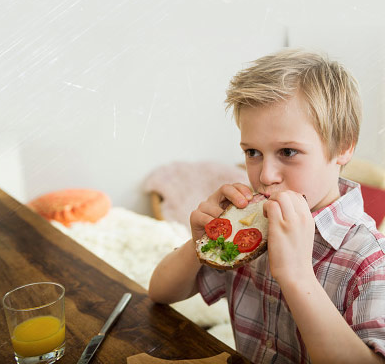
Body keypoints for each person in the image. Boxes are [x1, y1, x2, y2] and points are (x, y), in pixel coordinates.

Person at [148, 48, 385, 363]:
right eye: (252, 152)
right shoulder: (248, 230)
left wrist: (296, 275)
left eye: (287, 152)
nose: (266, 175)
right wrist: (201, 243)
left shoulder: (370, 262)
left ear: (343, 147)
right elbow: (161, 292)